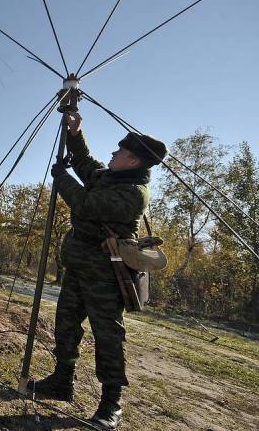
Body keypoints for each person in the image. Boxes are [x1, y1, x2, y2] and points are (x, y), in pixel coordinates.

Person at [28, 110, 166, 430]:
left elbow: (86, 204)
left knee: (108, 335)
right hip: (78, 265)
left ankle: (111, 404)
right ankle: (62, 381)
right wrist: (75, 134)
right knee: (66, 323)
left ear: (133, 161)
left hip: (106, 273)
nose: (113, 153)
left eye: (120, 152)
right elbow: (86, 164)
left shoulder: (133, 193)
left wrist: (61, 179)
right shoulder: (112, 176)